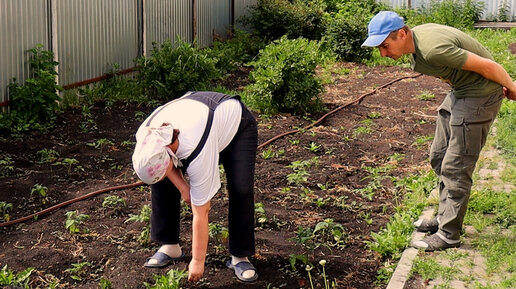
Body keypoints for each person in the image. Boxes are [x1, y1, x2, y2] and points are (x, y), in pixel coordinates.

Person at [362, 11, 516, 251]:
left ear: (401, 34)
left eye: (385, 45)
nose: (383, 53)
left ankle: (448, 234)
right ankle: (445, 216)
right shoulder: (418, 44)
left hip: (479, 95)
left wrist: (511, 86)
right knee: (440, 155)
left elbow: (488, 65)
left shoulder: (433, 49)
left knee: (456, 166)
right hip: (461, 91)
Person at [132, 91, 258, 282]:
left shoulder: (196, 148)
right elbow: (164, 165)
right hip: (197, 115)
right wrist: (183, 187)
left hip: (236, 126)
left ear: (170, 153)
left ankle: (240, 256)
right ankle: (170, 245)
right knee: (161, 180)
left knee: (241, 188)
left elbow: (202, 211)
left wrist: (198, 261)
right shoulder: (146, 135)